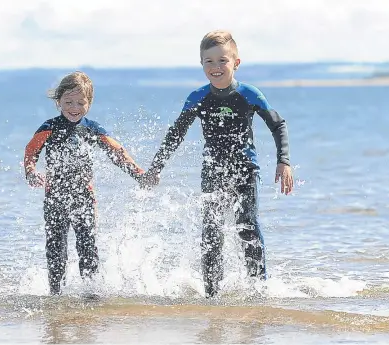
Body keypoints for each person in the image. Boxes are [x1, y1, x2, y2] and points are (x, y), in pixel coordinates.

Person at [140, 30, 294, 298]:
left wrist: (284, 162)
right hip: (213, 171)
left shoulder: (249, 94)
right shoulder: (198, 97)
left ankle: (259, 290)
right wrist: (156, 168)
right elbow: (175, 134)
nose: (215, 67)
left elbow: (278, 124)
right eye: (208, 62)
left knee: (247, 225)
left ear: (236, 62)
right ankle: (212, 294)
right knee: (211, 231)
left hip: (245, 170)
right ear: (201, 65)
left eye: (222, 60)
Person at [24, 71, 149, 295]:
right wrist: (30, 170)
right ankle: (56, 294)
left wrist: (139, 174)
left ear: (89, 103)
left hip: (84, 198)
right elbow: (31, 150)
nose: (74, 107)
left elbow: (117, 152)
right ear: (58, 101)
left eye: (81, 102)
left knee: (87, 247)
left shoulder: (92, 129)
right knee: (56, 249)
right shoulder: (49, 128)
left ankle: (91, 295)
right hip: (55, 198)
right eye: (68, 102)